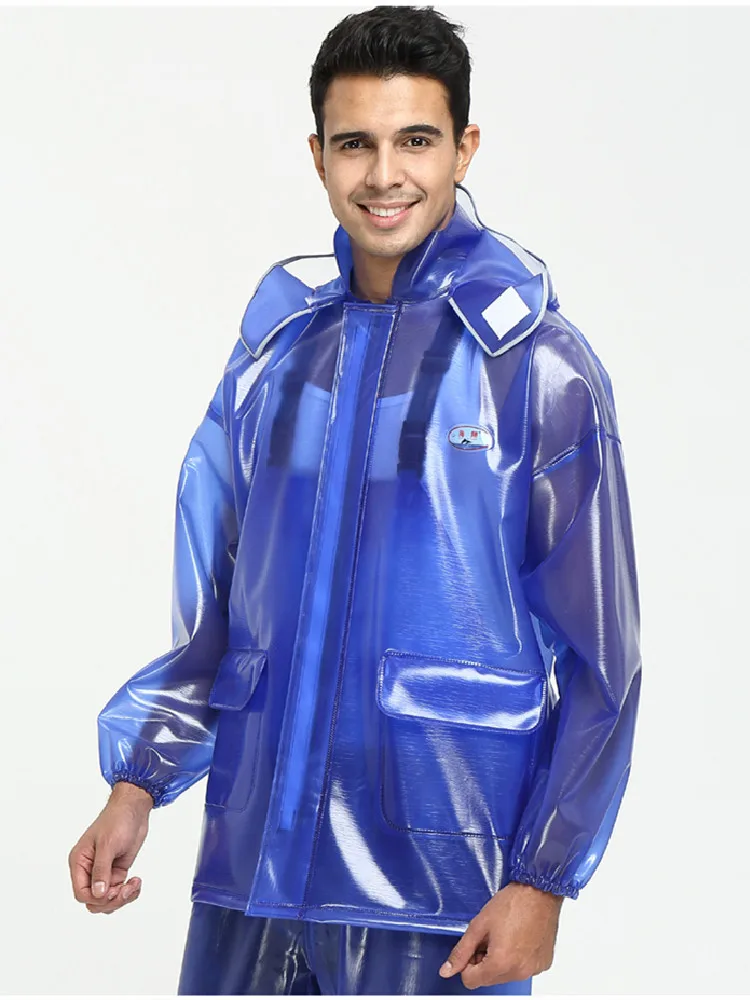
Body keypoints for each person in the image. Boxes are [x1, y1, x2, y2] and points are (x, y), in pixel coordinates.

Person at [68, 5, 642, 995]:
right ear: (318, 155)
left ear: (464, 147)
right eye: (355, 144)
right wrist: (138, 783)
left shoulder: (537, 368)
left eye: (415, 140)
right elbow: (222, 620)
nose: (384, 175)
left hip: (440, 896)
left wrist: (544, 877)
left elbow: (604, 663)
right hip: (252, 880)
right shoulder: (280, 359)